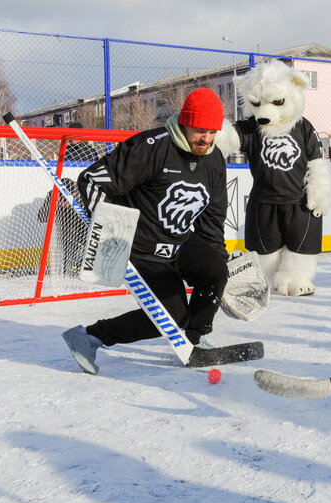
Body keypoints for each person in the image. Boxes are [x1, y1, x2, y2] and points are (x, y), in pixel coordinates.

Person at [61, 88, 230, 375]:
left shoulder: (214, 160)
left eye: (212, 132)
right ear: (184, 122)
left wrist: (217, 253)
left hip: (178, 242)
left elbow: (213, 217)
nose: (207, 139)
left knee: (216, 270)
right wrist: (112, 232)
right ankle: (90, 336)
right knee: (170, 317)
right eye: (201, 131)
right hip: (140, 248)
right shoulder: (151, 147)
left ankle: (193, 340)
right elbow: (90, 181)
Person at [37, 177, 86, 276]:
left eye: (67, 199)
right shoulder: (52, 195)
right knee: (66, 264)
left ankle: (82, 264)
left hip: (84, 226)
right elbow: (42, 218)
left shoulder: (83, 193)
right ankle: (69, 268)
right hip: (66, 230)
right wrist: (53, 204)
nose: (65, 203)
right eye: (62, 199)